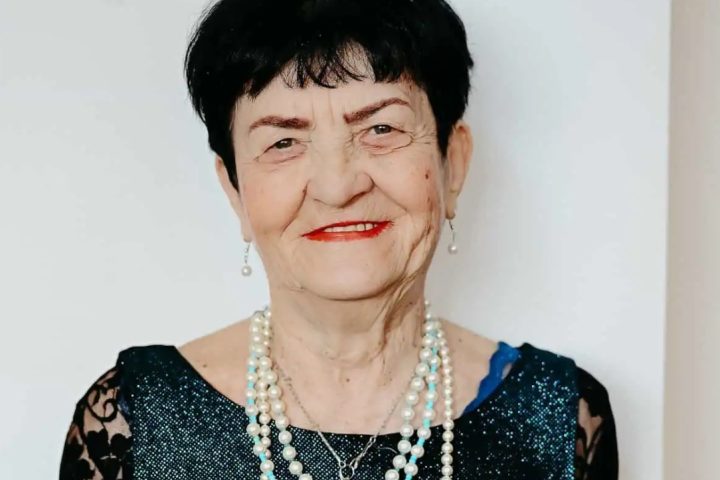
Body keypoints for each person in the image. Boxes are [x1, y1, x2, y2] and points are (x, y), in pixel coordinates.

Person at [59, 0, 618, 478]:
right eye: (283, 143)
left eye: (380, 128)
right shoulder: (130, 421)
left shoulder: (561, 418)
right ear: (234, 190)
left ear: (454, 163)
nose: (338, 186)